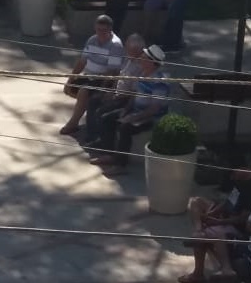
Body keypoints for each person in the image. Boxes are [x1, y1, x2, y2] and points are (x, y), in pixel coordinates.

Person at [91, 45, 169, 175]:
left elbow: (154, 109)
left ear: (151, 62)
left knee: (125, 127)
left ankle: (121, 164)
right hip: (136, 111)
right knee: (108, 118)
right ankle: (109, 154)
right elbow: (135, 96)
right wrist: (126, 110)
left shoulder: (160, 82)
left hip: (151, 118)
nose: (141, 59)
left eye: (144, 57)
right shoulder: (143, 73)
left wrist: (133, 117)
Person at [178, 166, 251, 283]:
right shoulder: (240, 182)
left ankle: (199, 273)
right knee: (197, 202)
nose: (233, 176)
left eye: (234, 173)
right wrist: (212, 214)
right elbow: (228, 202)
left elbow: (242, 219)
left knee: (210, 232)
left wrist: (217, 222)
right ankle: (198, 231)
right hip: (224, 217)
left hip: (234, 226)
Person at [60, 14, 124, 135]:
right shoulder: (92, 40)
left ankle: (73, 123)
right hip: (89, 76)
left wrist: (103, 90)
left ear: (110, 30)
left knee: (84, 92)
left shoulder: (115, 45)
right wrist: (70, 79)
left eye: (104, 30)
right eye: (98, 29)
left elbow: (112, 72)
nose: (100, 33)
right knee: (69, 90)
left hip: (103, 78)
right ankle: (85, 107)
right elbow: (82, 61)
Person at [183, 212, 251, 283]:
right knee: (216, 234)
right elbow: (248, 226)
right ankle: (223, 267)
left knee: (230, 273)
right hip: (246, 245)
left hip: (248, 258)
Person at [84, 33, 144, 145]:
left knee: (102, 111)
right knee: (93, 100)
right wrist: (111, 90)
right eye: (127, 49)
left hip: (125, 98)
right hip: (116, 92)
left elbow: (134, 92)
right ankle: (92, 136)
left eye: (132, 51)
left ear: (139, 50)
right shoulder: (127, 57)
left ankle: (104, 142)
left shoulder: (141, 66)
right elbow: (119, 77)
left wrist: (119, 98)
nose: (128, 52)